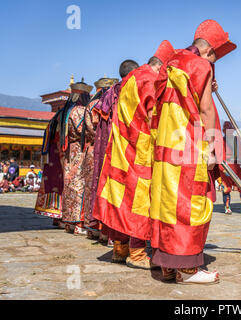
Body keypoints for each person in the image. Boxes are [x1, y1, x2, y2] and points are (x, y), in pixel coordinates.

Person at [149, 19, 236, 285]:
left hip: (165, 147)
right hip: (188, 146)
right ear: (210, 51)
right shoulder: (202, 65)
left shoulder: (172, 63)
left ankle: (167, 265)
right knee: (193, 202)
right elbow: (207, 110)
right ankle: (187, 270)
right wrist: (211, 148)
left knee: (167, 203)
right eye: (216, 57)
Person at [93, 41, 175, 270]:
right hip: (140, 149)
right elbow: (152, 116)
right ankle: (138, 253)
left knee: (122, 199)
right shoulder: (149, 79)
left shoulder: (130, 78)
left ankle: (119, 250)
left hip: (121, 146)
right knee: (140, 202)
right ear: (162, 66)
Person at [86, 60, 139, 244]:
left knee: (105, 183)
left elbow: (91, 125)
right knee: (122, 187)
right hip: (123, 144)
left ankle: (102, 230)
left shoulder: (106, 95)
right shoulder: (129, 90)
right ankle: (118, 235)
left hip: (103, 145)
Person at [59, 80, 93, 235]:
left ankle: (68, 222)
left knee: (69, 186)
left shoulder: (65, 111)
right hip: (79, 149)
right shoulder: (80, 110)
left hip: (68, 152)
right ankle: (79, 224)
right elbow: (85, 130)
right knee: (80, 184)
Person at [219, 121, 241, 215]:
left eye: (231, 130)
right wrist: (223, 169)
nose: (229, 132)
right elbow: (220, 157)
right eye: (227, 130)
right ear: (224, 131)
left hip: (236, 168)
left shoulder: (238, 140)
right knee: (226, 189)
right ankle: (227, 208)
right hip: (226, 168)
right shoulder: (221, 141)